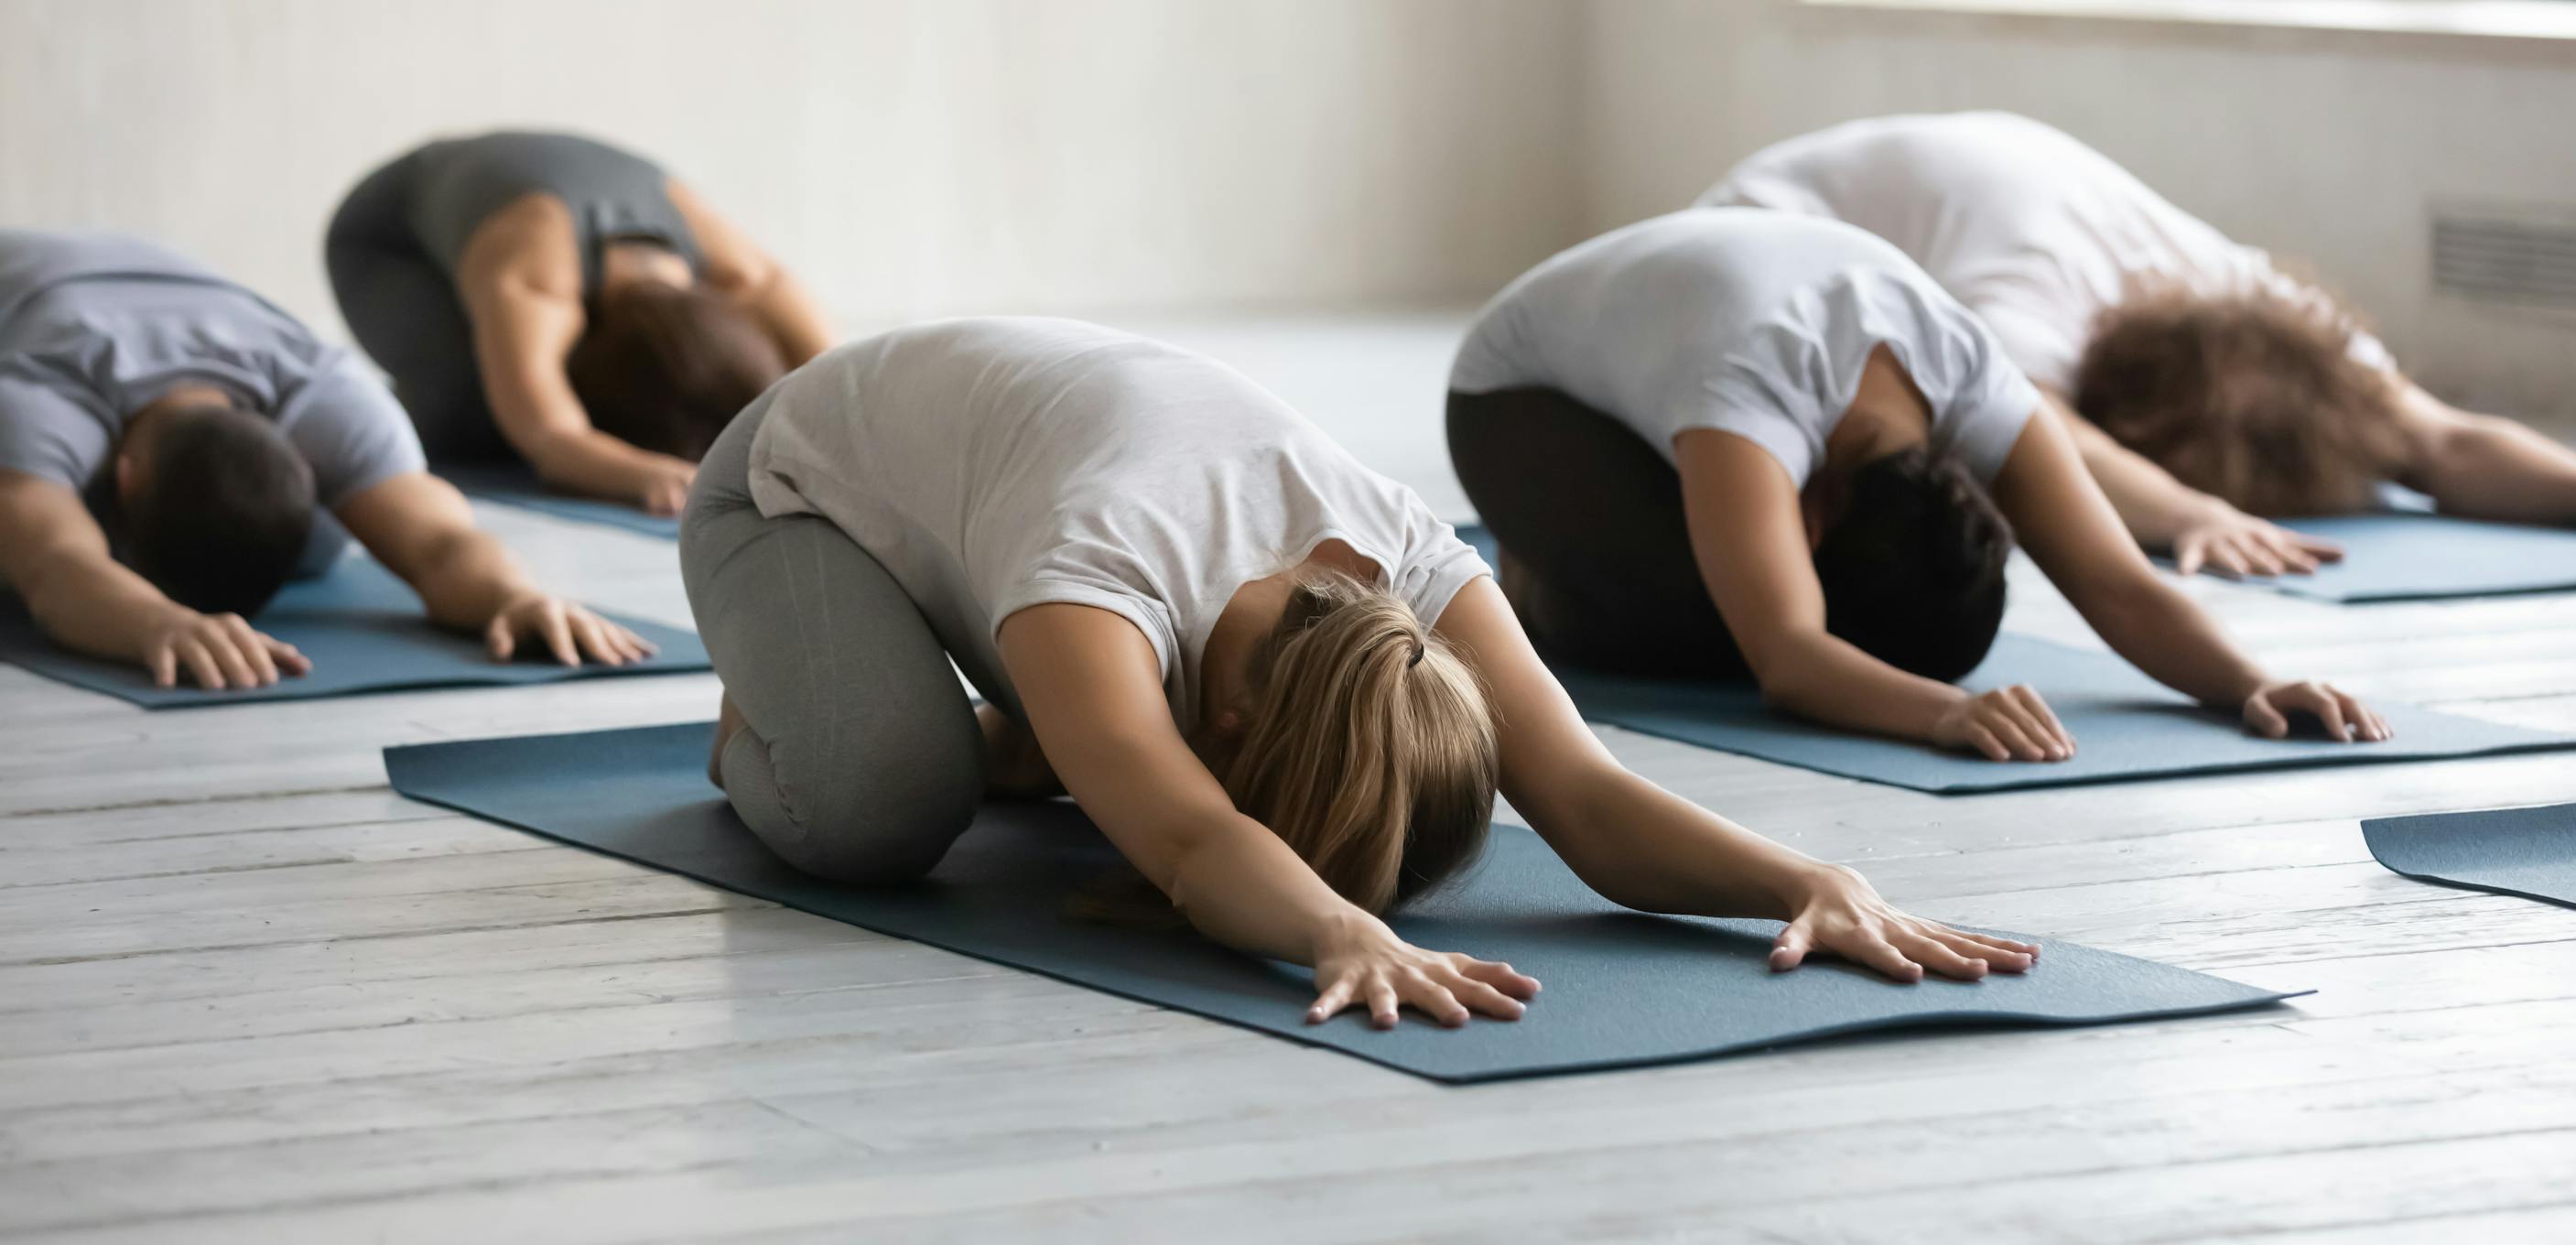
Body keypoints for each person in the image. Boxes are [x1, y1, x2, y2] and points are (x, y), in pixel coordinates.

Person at [682, 316, 2045, 1029]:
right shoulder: (1097, 575)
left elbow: (1580, 789)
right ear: (1223, 717)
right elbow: (1191, 836)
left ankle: (1033, 735)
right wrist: (1336, 929)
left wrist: (1808, 880)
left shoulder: (1407, 563)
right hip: (789, 488)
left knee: (1069, 762)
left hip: (1000, 474)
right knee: (881, 808)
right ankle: (776, 703)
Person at [1448, 209, 2390, 763]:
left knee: (1777, 625)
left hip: (1671, 342)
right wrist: (1948, 711)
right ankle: (1534, 578)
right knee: (1719, 630)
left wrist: (2256, 683)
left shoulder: (1970, 377)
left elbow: (2118, 580)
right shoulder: (1748, 400)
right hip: (1520, 397)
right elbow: (1788, 655)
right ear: (1814, 515)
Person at [1697, 111, 2576, 576]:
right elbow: (2050, 441)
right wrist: (2190, 514)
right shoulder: (2038, 285)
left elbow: (2442, 441)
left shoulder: (2254, 297)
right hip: (1738, 265)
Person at [0, 230, 653, 690]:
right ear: (124, 478)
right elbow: (58, 569)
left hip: (165, 281)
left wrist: (516, 597)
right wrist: (155, 622)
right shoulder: (37, 401)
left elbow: (442, 543)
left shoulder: (329, 399)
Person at [326, 131, 828, 516]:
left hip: (524, 188)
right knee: (487, 413)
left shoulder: (745, 275)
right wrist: (650, 474)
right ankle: (401, 409)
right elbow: (552, 438)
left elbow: (837, 381)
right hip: (387, 242)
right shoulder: (536, 284)